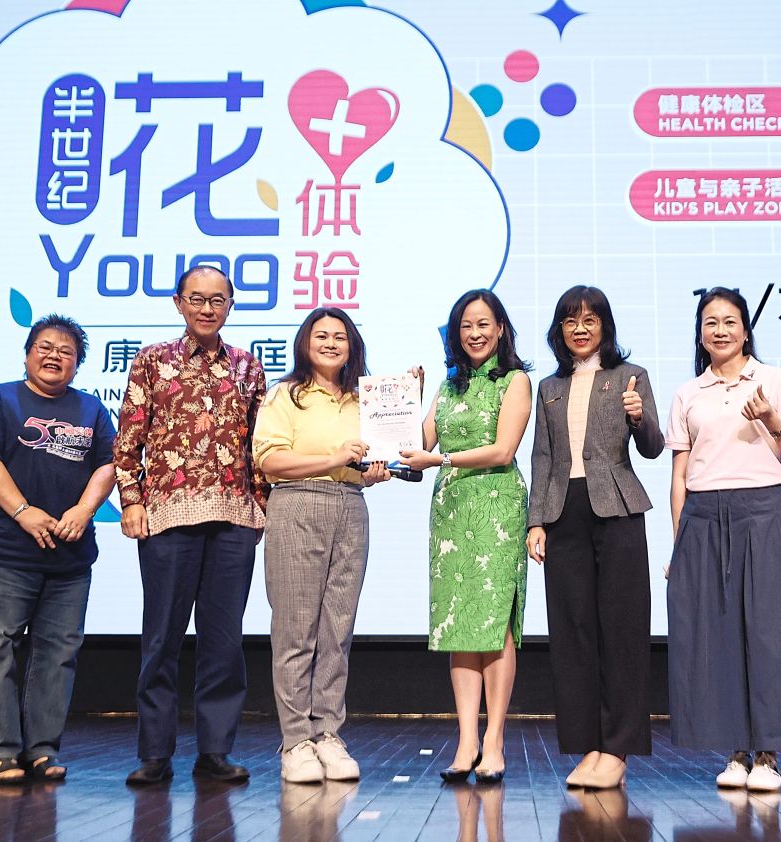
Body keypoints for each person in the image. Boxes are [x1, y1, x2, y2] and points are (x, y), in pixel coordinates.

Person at [665, 286, 781, 793]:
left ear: (745, 329)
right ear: (700, 333)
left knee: (770, 633)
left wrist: (770, 420)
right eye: (710, 322)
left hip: (763, 511)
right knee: (718, 634)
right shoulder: (688, 394)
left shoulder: (774, 381)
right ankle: (734, 753)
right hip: (704, 516)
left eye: (729, 321)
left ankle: (768, 756)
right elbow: (679, 475)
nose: (720, 330)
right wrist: (678, 544)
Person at [114, 265, 269, 786]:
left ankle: (215, 752)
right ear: (178, 302)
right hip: (166, 517)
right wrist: (130, 501)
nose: (207, 308)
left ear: (231, 305)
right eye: (197, 299)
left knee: (223, 641)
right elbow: (128, 440)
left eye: (218, 300)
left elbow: (260, 447)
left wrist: (261, 505)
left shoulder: (249, 368)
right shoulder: (152, 361)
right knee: (161, 638)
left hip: (234, 520)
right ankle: (155, 753)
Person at [0, 314, 116, 786]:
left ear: (78, 364)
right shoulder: (0, 398)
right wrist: (24, 511)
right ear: (27, 354)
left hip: (70, 558)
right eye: (45, 347)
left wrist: (84, 511)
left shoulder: (91, 410)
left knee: (58, 654)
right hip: (3, 552)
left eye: (66, 352)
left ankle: (42, 749)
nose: (54, 356)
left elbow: (109, 465)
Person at [524, 285, 664, 789]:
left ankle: (617, 749)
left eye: (589, 319)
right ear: (560, 330)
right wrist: (535, 520)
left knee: (623, 631)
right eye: (569, 321)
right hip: (565, 513)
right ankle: (587, 746)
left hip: (619, 509)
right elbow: (542, 457)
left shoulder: (631, 377)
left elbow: (652, 448)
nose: (580, 329)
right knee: (573, 632)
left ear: (605, 325)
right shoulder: (549, 387)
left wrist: (638, 415)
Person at [398, 289, 531, 785]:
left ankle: (494, 741)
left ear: (500, 329)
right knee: (458, 625)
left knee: (493, 625)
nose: (474, 334)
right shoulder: (450, 385)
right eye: (465, 326)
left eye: (484, 324)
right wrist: (409, 399)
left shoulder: (516, 381)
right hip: (452, 511)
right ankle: (466, 741)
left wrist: (442, 462)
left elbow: (502, 451)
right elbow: (419, 443)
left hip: (496, 506)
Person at [252, 307, 391, 783]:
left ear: (352, 345)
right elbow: (269, 461)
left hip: (350, 505)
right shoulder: (285, 395)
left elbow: (370, 460)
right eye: (321, 335)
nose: (331, 343)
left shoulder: (363, 399)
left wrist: (371, 472)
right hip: (296, 504)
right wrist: (332, 457)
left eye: (340, 336)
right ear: (305, 342)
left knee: (337, 628)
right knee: (296, 630)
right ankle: (295, 741)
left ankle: (328, 733)